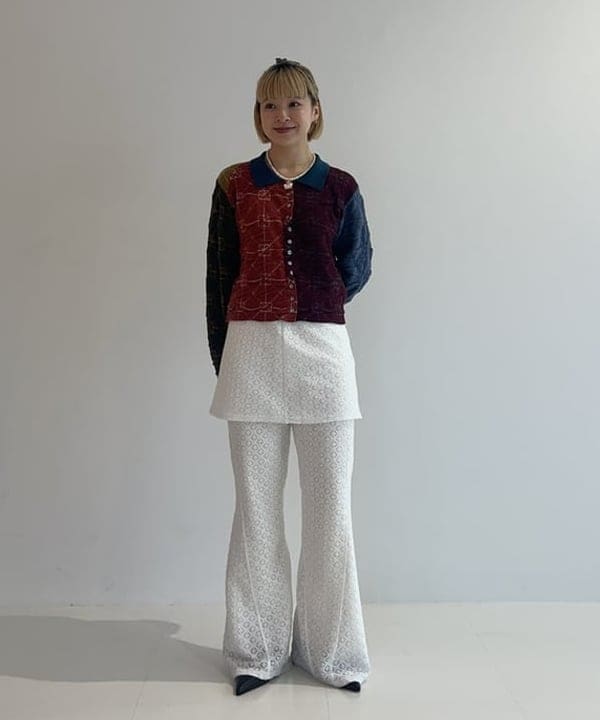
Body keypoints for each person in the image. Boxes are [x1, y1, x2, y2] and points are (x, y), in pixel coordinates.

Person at [205, 58, 373, 696]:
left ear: (315, 110)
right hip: (250, 354)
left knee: (331, 510)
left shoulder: (342, 187)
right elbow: (220, 274)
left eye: (294, 103)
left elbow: (356, 265)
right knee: (255, 509)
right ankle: (258, 649)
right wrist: (226, 356)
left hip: (324, 356)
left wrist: (312, 300)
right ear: (258, 114)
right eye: (270, 105)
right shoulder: (233, 184)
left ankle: (332, 652)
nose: (283, 115)